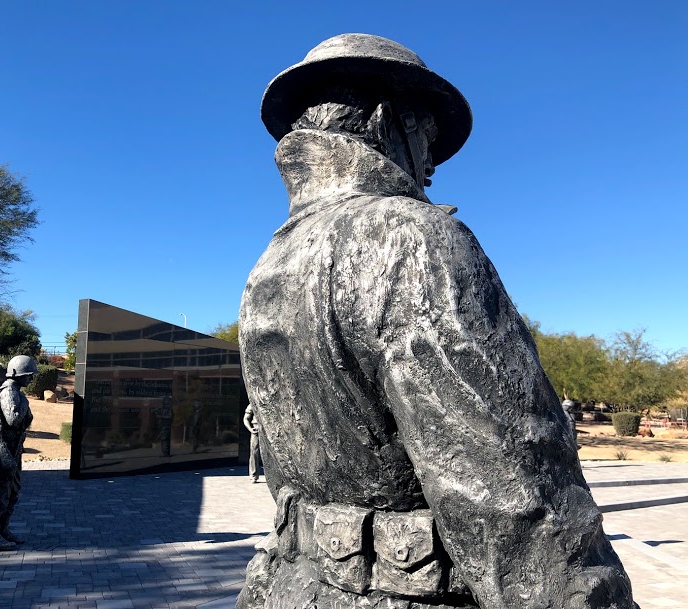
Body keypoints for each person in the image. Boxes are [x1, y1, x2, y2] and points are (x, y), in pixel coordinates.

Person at [237, 34, 636, 609]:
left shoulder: (270, 263)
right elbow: (512, 494)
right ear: (382, 122)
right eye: (425, 137)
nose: (431, 164)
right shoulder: (412, 237)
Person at [0, 355, 36, 551]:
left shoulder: (16, 392)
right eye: (28, 375)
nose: (30, 379)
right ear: (19, 374)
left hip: (13, 449)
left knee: (12, 490)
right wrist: (24, 403)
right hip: (5, 448)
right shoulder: (9, 392)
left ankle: (3, 529)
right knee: (1, 490)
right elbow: (14, 419)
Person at [242, 403, 261, 482]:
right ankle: (253, 475)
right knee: (254, 452)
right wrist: (250, 429)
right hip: (256, 430)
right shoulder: (253, 404)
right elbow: (246, 418)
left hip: (270, 430)